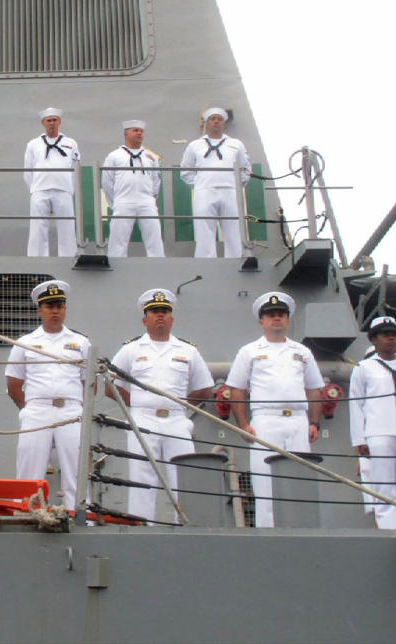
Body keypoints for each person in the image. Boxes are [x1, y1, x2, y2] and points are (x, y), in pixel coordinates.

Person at [108, 289, 214, 521]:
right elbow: (110, 385)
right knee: (142, 478)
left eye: (165, 311)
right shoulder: (131, 350)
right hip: (143, 420)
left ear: (172, 319)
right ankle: (140, 527)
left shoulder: (188, 351)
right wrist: (137, 405)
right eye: (155, 312)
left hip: (177, 421)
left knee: (184, 478)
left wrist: (182, 408)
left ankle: (188, 527)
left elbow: (205, 388)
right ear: (145, 319)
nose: (160, 316)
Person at [226, 291, 324, 527]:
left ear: (288, 320)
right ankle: (267, 535)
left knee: (299, 482)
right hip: (266, 422)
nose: (276, 319)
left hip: (298, 421)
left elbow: (314, 389)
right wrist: (243, 425)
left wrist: (315, 422)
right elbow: (235, 390)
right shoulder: (249, 351)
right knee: (265, 485)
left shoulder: (302, 352)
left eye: (281, 314)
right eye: (271, 315)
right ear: (262, 321)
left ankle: (301, 533)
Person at [5, 280, 90, 510]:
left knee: (76, 469)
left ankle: (80, 517)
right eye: (50, 306)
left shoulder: (81, 343)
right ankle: (25, 515)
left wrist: (74, 404)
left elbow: (89, 383)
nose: (56, 311)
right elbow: (14, 384)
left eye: (60, 306)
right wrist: (30, 409)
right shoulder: (25, 343)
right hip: (37, 410)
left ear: (65, 309)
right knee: (29, 469)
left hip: (71, 411)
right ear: (40, 310)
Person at [349, 316, 396, 529]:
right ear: (374, 340)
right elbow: (356, 405)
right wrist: (359, 439)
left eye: (394, 335)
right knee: (384, 484)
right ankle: (389, 528)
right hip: (378, 431)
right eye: (385, 335)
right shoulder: (364, 368)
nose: (391, 339)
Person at [179, 107, 251, 258]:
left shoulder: (236, 144)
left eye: (220, 119)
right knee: (204, 228)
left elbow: (245, 168)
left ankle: (236, 259)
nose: (216, 122)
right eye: (213, 119)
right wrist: (200, 184)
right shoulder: (195, 145)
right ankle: (205, 261)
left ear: (224, 124)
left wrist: (237, 184)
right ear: (207, 123)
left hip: (231, 191)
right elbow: (186, 171)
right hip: (204, 191)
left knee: (234, 229)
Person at [101, 120, 164, 258]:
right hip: (124, 200)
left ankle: (158, 267)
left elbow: (156, 180)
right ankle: (116, 268)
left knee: (154, 239)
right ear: (126, 133)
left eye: (141, 131)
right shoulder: (114, 156)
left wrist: (151, 199)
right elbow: (107, 182)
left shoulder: (152, 157)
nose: (139, 133)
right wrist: (116, 201)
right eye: (135, 130)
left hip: (146, 201)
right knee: (118, 241)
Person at [23, 107, 81, 257]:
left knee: (67, 227)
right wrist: (35, 188)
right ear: (43, 123)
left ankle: (68, 256)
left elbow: (76, 168)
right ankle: (37, 258)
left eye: (55, 120)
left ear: (60, 122)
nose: (52, 123)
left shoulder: (71, 143)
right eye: (49, 120)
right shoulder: (33, 144)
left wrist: (70, 188)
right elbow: (28, 170)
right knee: (38, 227)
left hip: (63, 189)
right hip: (40, 189)